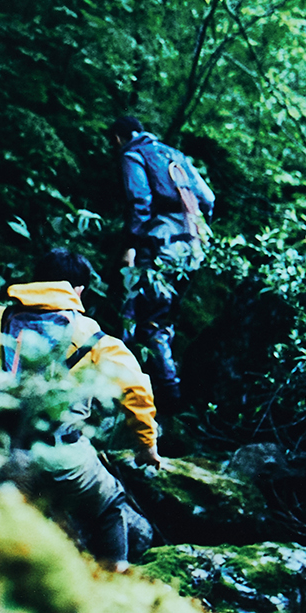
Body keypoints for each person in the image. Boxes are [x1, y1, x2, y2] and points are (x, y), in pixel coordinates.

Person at [0, 248, 159, 570]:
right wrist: (146, 446)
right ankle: (114, 582)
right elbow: (137, 390)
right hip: (62, 462)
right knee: (109, 506)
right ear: (78, 290)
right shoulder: (94, 336)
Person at [109, 115, 215, 413]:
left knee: (143, 319)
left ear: (118, 138)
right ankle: (165, 394)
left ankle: (164, 398)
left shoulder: (133, 154)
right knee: (164, 320)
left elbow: (139, 201)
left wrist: (131, 245)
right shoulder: (175, 155)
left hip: (160, 246)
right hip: (191, 248)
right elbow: (208, 198)